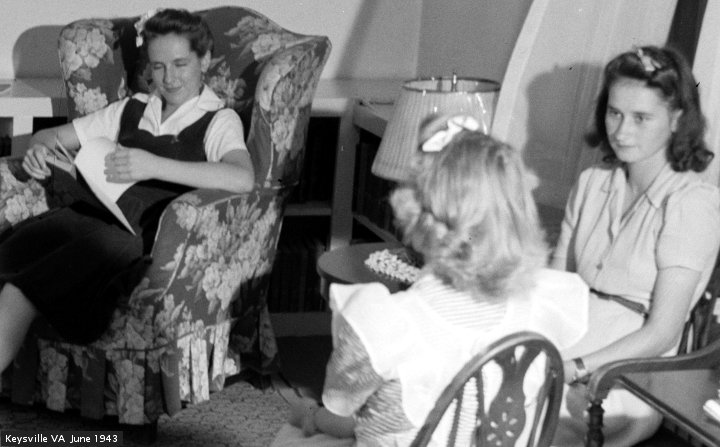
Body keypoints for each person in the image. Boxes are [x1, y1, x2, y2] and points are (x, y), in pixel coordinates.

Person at [270, 115, 589, 446]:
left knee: (297, 431)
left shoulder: (388, 322)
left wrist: (311, 416)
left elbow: (344, 410)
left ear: (418, 214)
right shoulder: (540, 304)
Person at [0, 8, 254, 372]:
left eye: (180, 64)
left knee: (21, 289)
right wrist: (39, 149)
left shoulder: (218, 119)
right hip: (89, 218)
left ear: (204, 60)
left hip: (138, 239)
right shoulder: (133, 109)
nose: (169, 78)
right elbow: (50, 136)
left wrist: (153, 166)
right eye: (158, 66)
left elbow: (243, 178)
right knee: (11, 257)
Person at [551, 45, 720, 446]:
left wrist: (576, 367)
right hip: (568, 339)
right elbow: (554, 286)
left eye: (641, 118)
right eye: (614, 113)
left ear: (677, 119)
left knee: (523, 411)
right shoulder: (592, 182)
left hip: (628, 372)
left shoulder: (691, 203)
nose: (622, 131)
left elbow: (662, 332)